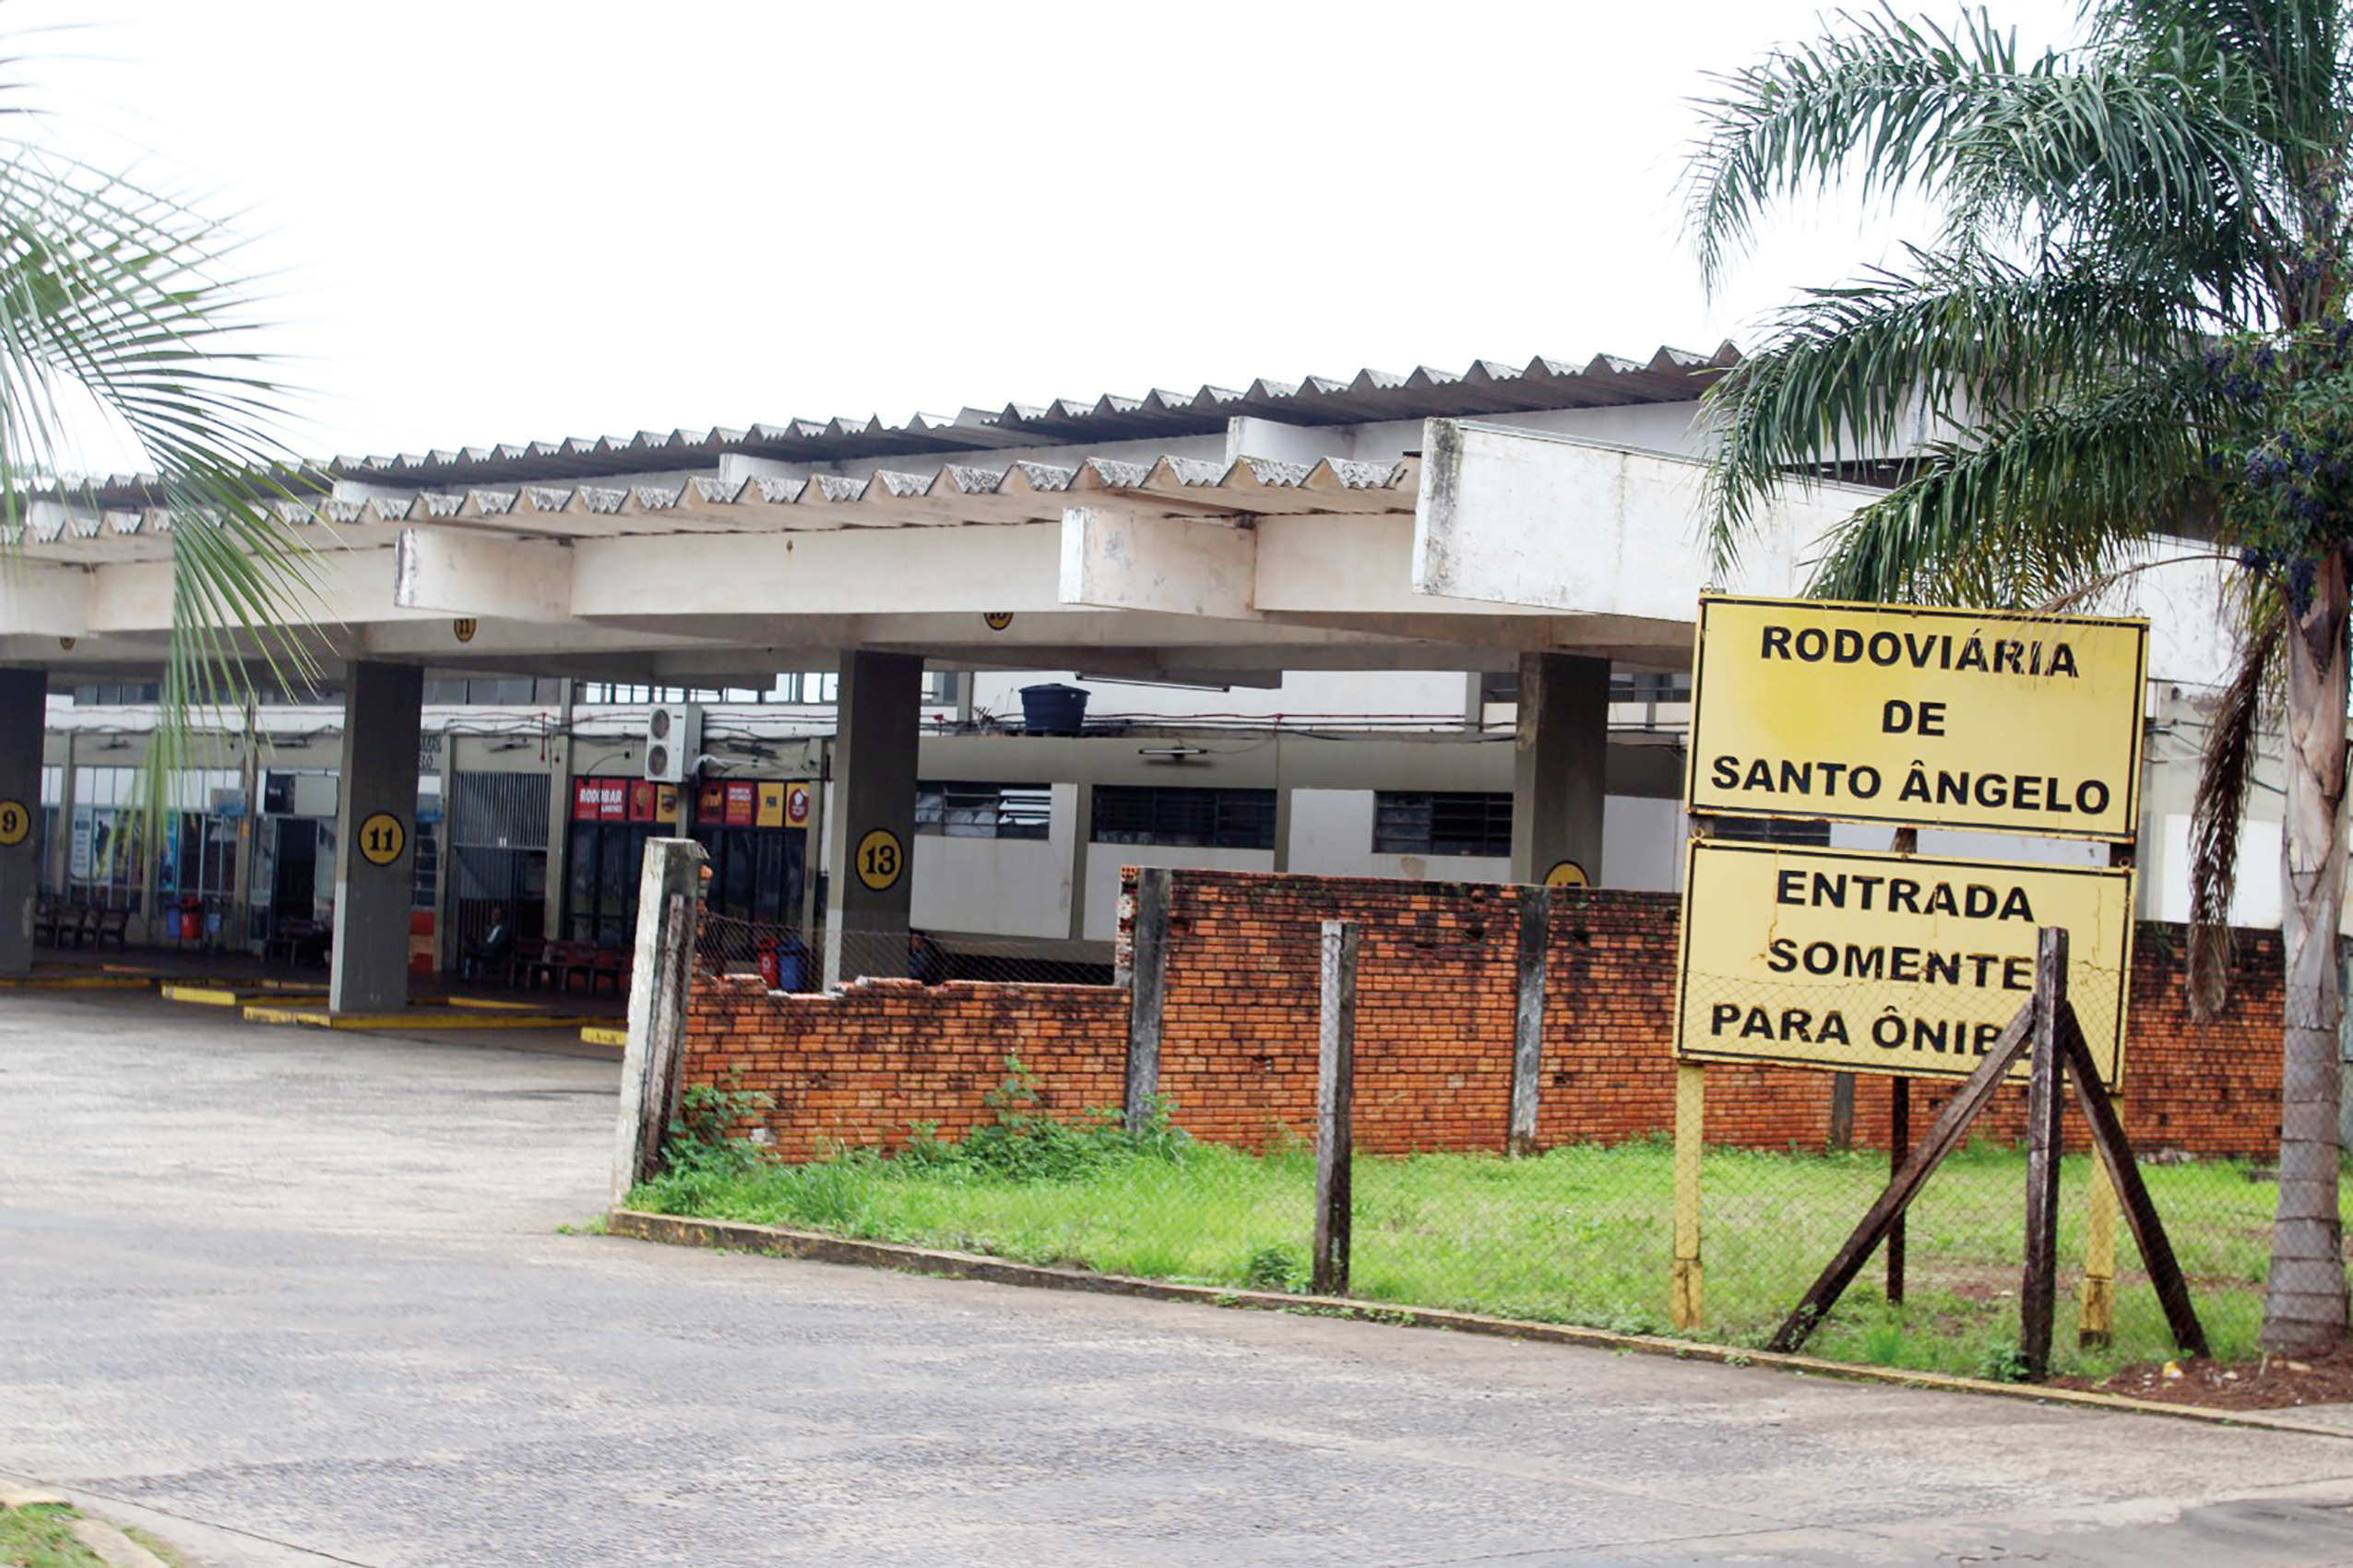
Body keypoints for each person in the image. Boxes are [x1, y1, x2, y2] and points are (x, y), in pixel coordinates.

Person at [459, 905, 515, 981]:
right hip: (485, 949)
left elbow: (499, 944)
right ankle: (467, 973)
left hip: (496, 953)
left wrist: (485, 946)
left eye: (497, 914)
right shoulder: (490, 928)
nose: (495, 917)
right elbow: (485, 938)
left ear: (502, 916)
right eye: (494, 914)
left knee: (479, 952)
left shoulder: (505, 929)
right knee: (468, 946)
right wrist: (480, 943)